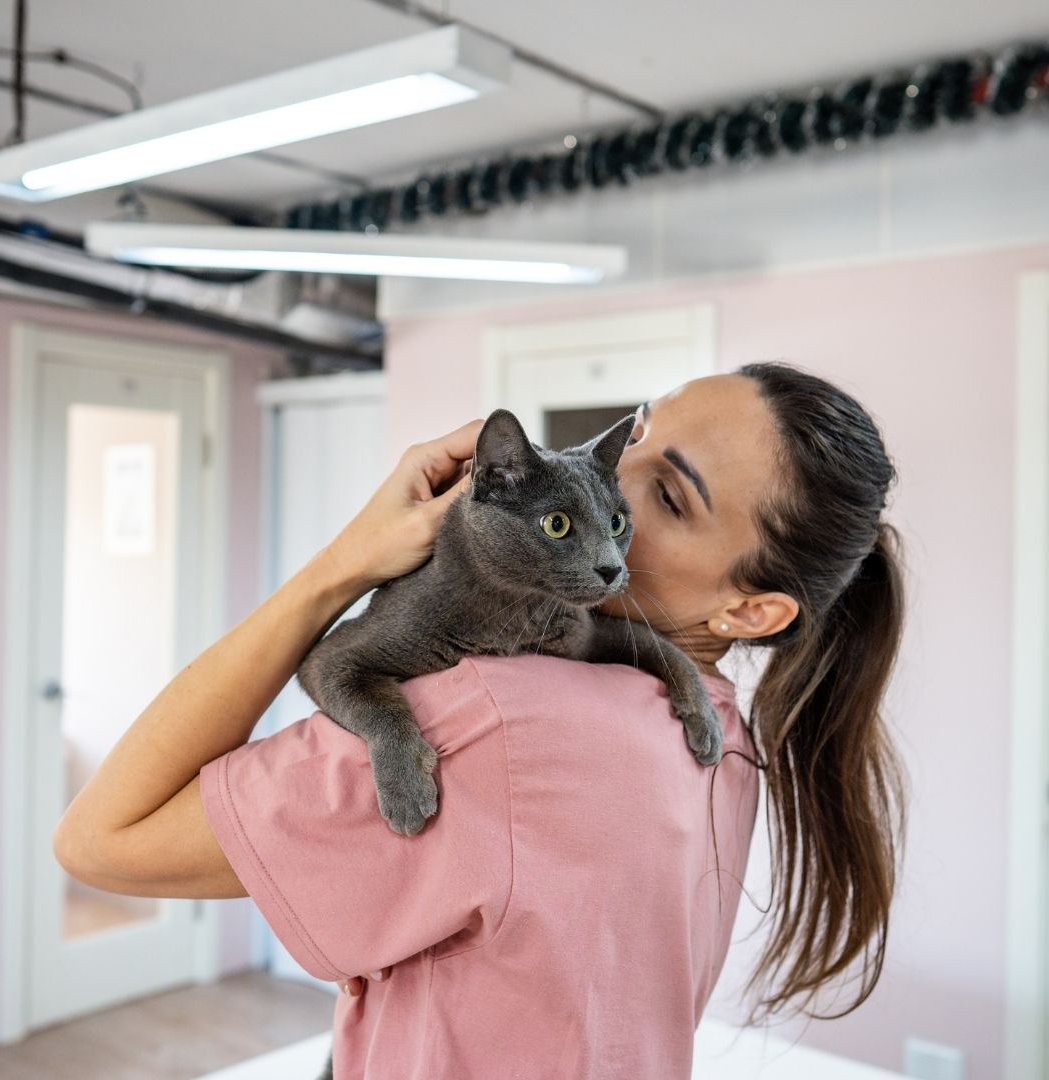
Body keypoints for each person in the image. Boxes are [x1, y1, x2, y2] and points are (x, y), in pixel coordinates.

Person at [53, 361, 907, 1079]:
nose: (610, 479)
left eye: (670, 497)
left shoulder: (495, 721)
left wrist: (342, 564)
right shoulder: (719, 733)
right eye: (638, 435)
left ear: (751, 612)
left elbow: (101, 839)